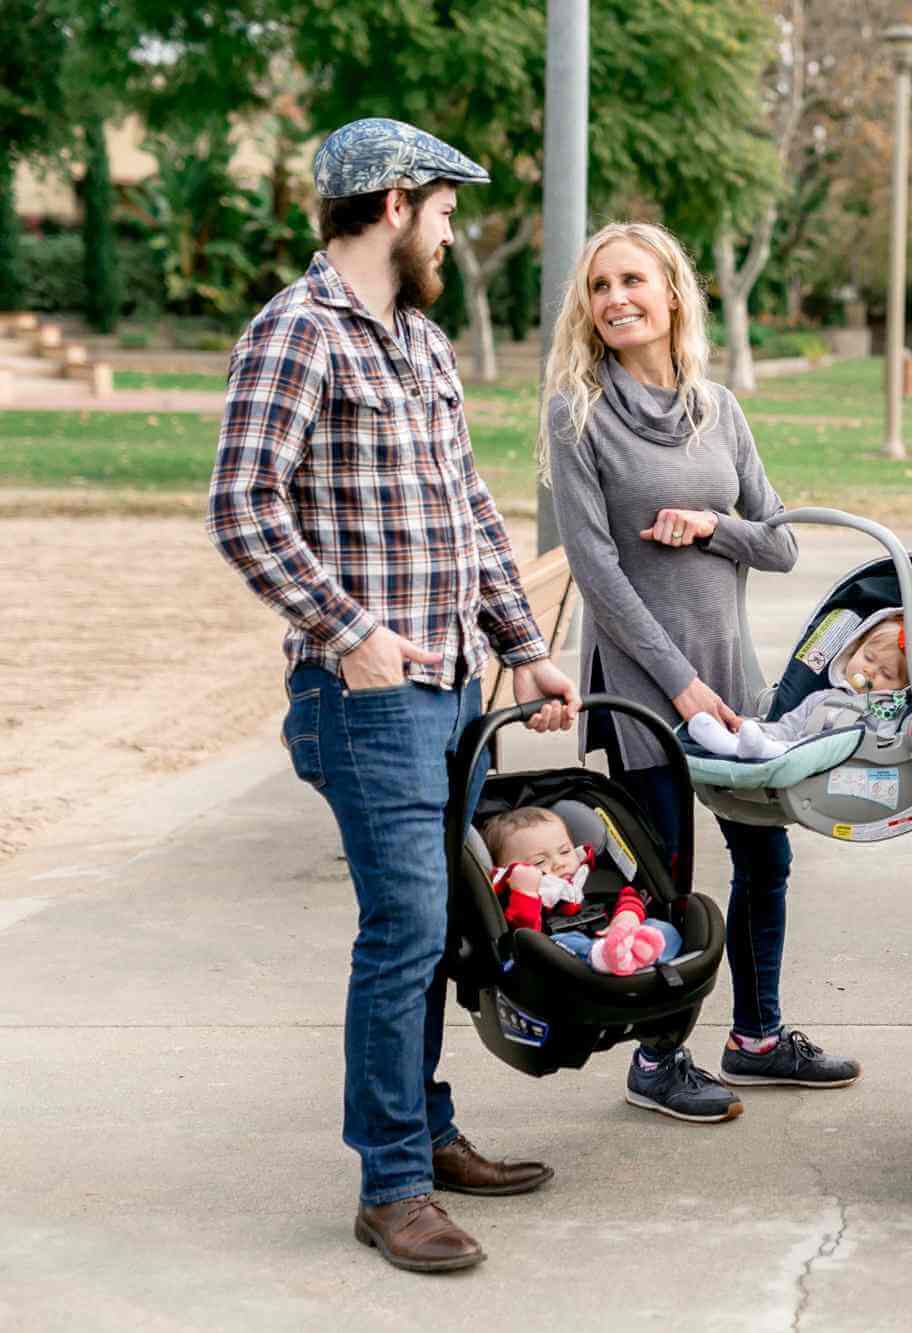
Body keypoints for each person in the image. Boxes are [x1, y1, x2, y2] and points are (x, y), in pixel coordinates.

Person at [206, 117, 580, 1274]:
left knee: (445, 926)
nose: (455, 235)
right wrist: (346, 627)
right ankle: (393, 1183)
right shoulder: (297, 332)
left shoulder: (418, 342)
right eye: (448, 212)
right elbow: (243, 505)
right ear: (397, 203)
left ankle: (424, 1128)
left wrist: (520, 643)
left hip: (454, 683)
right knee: (406, 928)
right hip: (363, 698)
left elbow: (468, 510)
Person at [540, 221, 861, 1126]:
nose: (615, 300)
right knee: (667, 872)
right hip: (646, 689)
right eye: (599, 287)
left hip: (731, 679)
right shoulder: (577, 414)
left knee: (766, 854)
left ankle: (756, 1037)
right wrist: (678, 683)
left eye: (632, 280)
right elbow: (597, 572)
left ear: (672, 292)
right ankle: (658, 1055)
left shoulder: (719, 408)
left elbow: (783, 540)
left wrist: (708, 525)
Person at [687, 609, 912, 760]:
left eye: (885, 672)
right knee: (774, 732)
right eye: (868, 658)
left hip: (832, 759)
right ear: (852, 650)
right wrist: (752, 727)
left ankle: (761, 749)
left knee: (789, 749)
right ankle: (732, 739)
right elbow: (789, 727)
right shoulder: (822, 697)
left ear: (901, 686)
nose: (869, 670)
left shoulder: (886, 710)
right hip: (793, 743)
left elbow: (885, 741)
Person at [480, 806, 679, 974]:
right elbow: (525, 937)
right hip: (570, 956)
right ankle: (603, 958)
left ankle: (636, 955)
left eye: (565, 851)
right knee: (559, 944)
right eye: (540, 861)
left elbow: (629, 897)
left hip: (616, 937)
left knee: (662, 929)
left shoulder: (592, 878)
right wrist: (526, 894)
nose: (559, 863)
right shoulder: (521, 897)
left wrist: (626, 919)